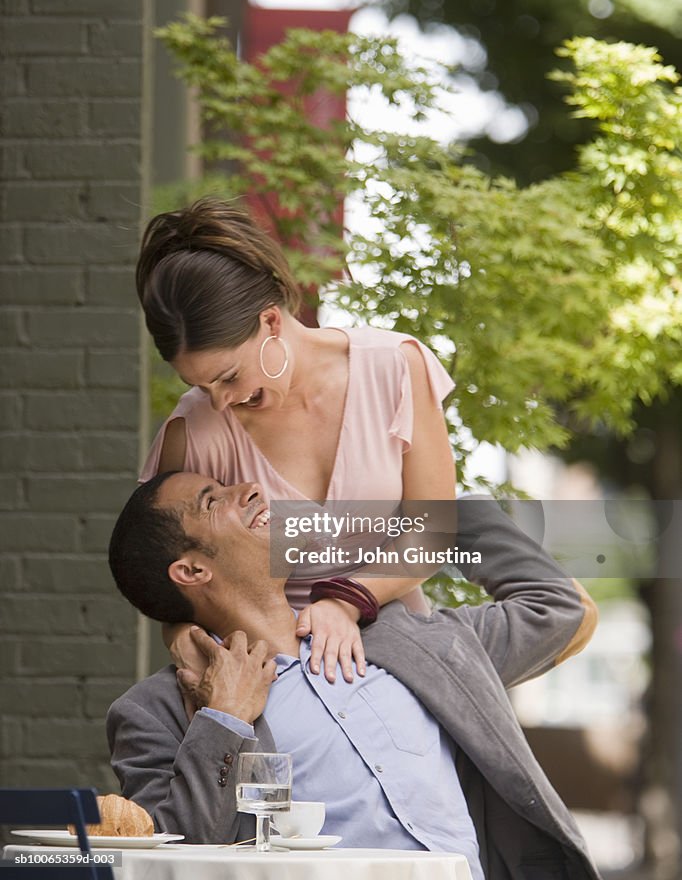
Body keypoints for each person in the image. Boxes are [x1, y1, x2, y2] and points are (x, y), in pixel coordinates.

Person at [107, 471, 600, 878]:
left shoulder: (408, 642)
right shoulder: (158, 711)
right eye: (214, 500)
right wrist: (224, 720)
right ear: (190, 572)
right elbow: (171, 855)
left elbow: (559, 607)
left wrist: (369, 580)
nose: (250, 489)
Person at [136, 197, 458, 682]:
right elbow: (172, 579)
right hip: (270, 679)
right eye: (200, 386)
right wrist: (181, 635)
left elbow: (434, 532)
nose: (220, 402)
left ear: (269, 322)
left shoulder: (394, 367)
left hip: (397, 656)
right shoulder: (195, 430)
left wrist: (347, 601)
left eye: (227, 377)